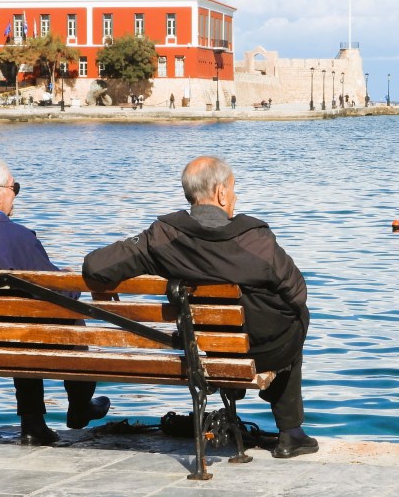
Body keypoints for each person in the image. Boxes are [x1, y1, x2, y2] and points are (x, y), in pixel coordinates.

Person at [82, 156, 317, 459]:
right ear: (220, 193)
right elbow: (297, 293)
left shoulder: (163, 236)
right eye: (233, 190)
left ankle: (246, 396)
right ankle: (291, 433)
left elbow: (95, 266)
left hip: (206, 349)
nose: (235, 196)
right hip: (265, 349)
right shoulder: (256, 239)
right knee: (298, 317)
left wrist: (102, 286)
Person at [0, 158, 110, 445]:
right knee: (64, 319)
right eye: (15, 188)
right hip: (16, 337)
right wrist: (70, 280)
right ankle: (78, 405)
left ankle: (35, 423)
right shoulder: (17, 236)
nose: (16, 195)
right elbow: (62, 293)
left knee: (22, 322)